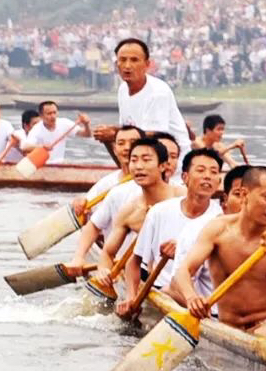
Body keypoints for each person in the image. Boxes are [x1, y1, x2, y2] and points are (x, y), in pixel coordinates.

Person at [171, 166, 266, 353]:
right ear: (245, 194)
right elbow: (183, 271)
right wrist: (191, 298)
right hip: (229, 325)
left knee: (265, 337)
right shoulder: (218, 229)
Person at [117, 148, 225, 317]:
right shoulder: (159, 212)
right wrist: (131, 297)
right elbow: (134, 263)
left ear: (219, 181)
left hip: (202, 304)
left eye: (214, 172)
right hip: (162, 291)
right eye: (200, 170)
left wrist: (182, 248)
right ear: (185, 178)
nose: (207, 176)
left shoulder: (221, 220)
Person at [92, 137, 184, 291]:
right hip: (153, 279)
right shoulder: (130, 211)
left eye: (146, 160)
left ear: (163, 166)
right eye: (134, 160)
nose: (138, 166)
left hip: (189, 279)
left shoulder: (182, 198)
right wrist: (103, 271)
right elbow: (108, 253)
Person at [92, 38, 191, 168]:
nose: (127, 66)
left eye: (134, 60)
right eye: (122, 60)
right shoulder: (122, 90)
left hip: (173, 166)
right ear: (117, 65)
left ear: (147, 64)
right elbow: (127, 130)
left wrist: (114, 133)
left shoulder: (158, 92)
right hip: (144, 161)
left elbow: (156, 135)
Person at [168, 164, 250, 306]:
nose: (244, 202)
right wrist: (193, 300)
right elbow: (179, 280)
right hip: (211, 311)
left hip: (255, 317)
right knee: (167, 291)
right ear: (225, 199)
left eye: (250, 195)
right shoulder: (198, 229)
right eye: (237, 194)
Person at [67, 126, 144, 269]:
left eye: (133, 142)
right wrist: (80, 204)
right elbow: (90, 220)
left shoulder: (154, 184)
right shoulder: (108, 184)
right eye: (121, 143)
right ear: (114, 150)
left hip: (144, 264)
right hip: (116, 261)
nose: (127, 148)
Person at [18, 101, 91, 164]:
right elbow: (24, 147)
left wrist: (86, 124)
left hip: (60, 164)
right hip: (43, 165)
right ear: (41, 116)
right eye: (49, 114)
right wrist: (41, 147)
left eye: (54, 112)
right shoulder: (36, 129)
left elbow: (87, 135)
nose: (53, 116)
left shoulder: (64, 123)